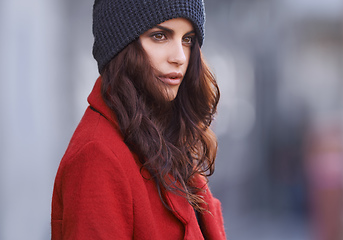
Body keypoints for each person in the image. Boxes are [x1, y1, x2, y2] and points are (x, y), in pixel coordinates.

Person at [51, 0, 226, 239]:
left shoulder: (169, 138)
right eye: (159, 36)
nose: (179, 57)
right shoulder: (97, 156)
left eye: (188, 39)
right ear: (122, 46)